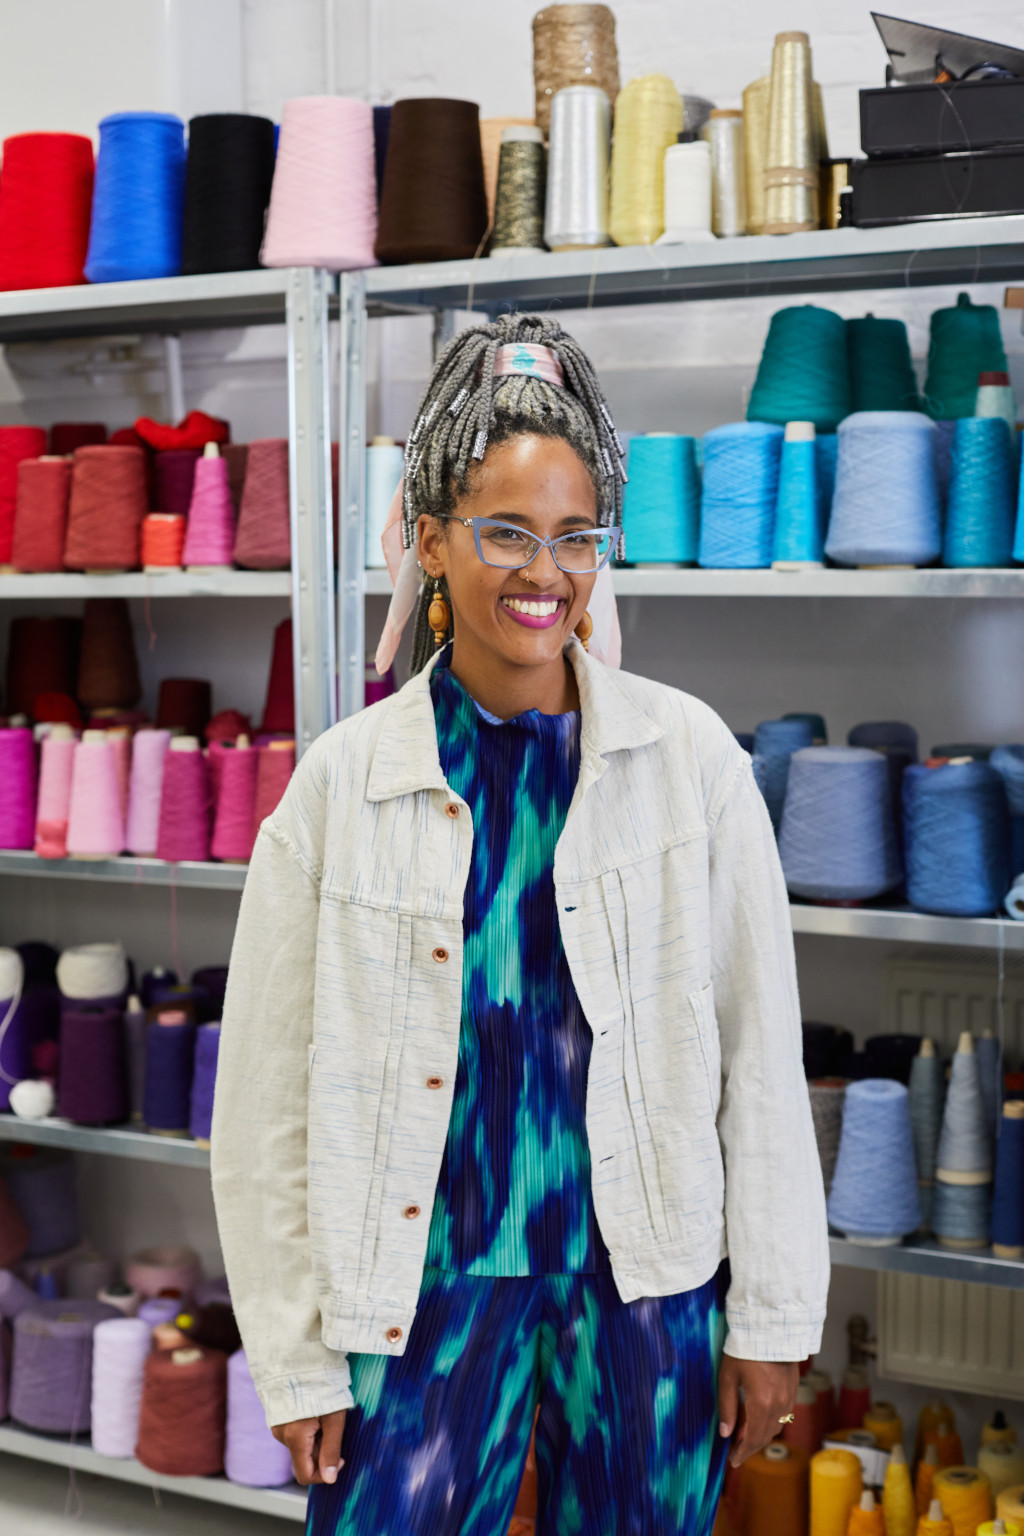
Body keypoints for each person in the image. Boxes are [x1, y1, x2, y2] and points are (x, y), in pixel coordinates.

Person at [211, 313, 829, 1536]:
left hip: (645, 1286)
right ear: (429, 539)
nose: (541, 573)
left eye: (573, 537)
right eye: (502, 532)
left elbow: (761, 1058)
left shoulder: (689, 761)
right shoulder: (341, 786)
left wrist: (769, 1318)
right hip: (417, 1289)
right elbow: (265, 1099)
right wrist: (292, 1356)